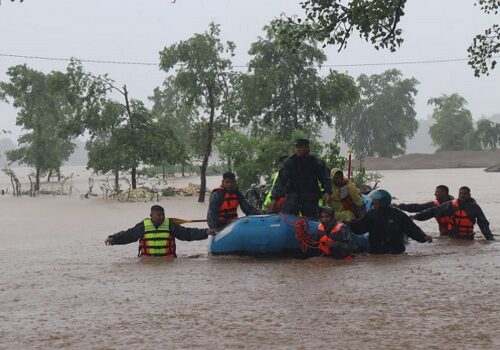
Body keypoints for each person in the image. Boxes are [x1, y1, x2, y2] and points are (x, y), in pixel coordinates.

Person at [104, 205, 213, 258]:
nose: (161, 217)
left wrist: (205, 232)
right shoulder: (143, 226)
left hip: (168, 260)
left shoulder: (170, 225)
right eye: (159, 215)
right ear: (151, 215)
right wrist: (113, 238)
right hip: (147, 260)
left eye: (163, 215)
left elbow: (187, 234)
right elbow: (128, 235)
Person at [351, 189, 433, 254]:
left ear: (383, 203)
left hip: (395, 251)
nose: (374, 206)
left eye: (376, 204)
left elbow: (411, 228)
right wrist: (348, 223)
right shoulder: (370, 215)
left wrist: (423, 237)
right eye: (373, 204)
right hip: (376, 251)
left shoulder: (398, 215)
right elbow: (359, 228)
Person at [268, 138, 332, 219]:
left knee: (311, 220)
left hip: (310, 196)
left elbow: (325, 178)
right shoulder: (289, 162)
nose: (298, 149)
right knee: (287, 218)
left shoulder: (315, 162)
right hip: (293, 195)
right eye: (296, 147)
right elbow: (281, 181)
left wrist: (327, 192)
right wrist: (274, 198)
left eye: (301, 147)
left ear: (307, 148)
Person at [411, 186, 494, 240]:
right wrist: (417, 216)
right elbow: (434, 211)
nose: (462, 195)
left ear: (469, 195)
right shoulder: (451, 205)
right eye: (461, 193)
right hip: (453, 236)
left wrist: (489, 238)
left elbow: (483, 224)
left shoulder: (475, 207)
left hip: (469, 237)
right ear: (458, 194)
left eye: (465, 193)